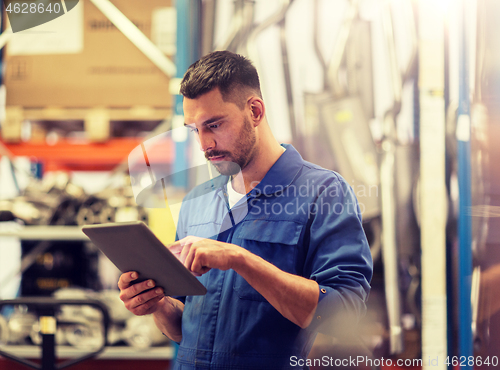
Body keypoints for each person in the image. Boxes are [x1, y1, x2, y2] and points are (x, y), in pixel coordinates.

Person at [118, 50, 373, 369]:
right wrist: (155, 304)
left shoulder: (322, 193)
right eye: (195, 129)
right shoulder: (197, 201)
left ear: (254, 110)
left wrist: (241, 259)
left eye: (214, 124)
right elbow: (187, 329)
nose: (204, 144)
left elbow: (343, 313)